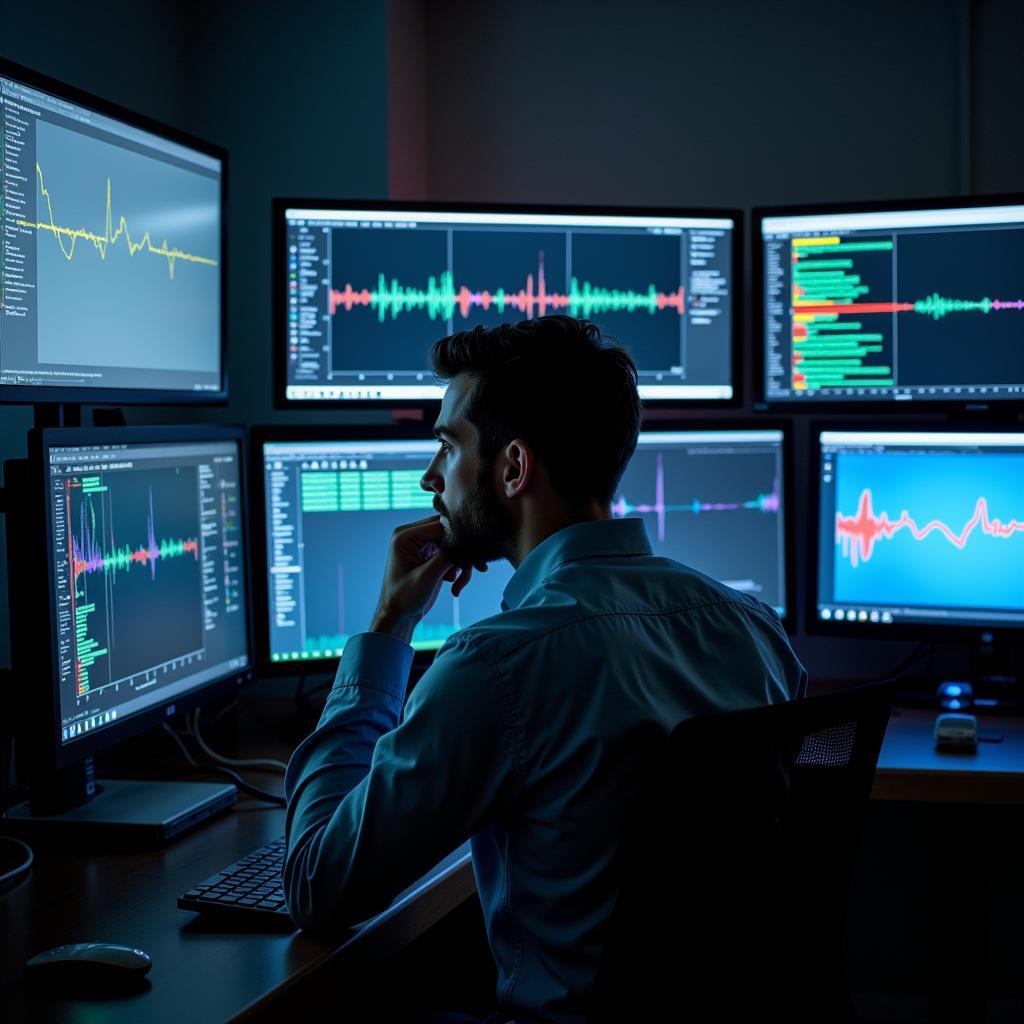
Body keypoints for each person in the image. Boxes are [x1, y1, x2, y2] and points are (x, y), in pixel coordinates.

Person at [283, 315, 807, 1024]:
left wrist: (386, 630)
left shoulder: (497, 666)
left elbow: (318, 885)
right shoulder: (755, 630)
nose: (430, 477)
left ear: (513, 468)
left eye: (447, 445)